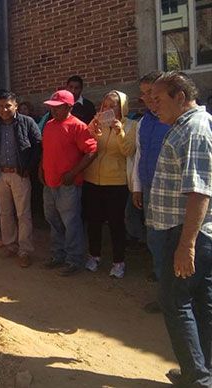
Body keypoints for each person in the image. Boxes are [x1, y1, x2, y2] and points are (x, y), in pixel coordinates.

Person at [147, 71, 212, 387]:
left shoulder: (194, 132)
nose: (152, 106)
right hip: (188, 233)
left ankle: (197, 378)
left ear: (180, 97)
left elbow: (199, 192)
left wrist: (186, 245)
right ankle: (200, 370)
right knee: (200, 302)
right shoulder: (185, 127)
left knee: (176, 304)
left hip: (185, 234)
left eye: (158, 100)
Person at [40, 90, 98, 276]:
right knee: (53, 220)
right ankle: (58, 255)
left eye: (58, 108)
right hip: (49, 183)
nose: (53, 111)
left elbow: (91, 151)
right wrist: (41, 167)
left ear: (69, 107)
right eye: (51, 107)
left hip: (68, 185)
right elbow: (47, 150)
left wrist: (73, 173)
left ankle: (74, 260)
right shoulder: (49, 125)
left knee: (71, 222)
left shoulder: (78, 126)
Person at [82, 91, 135, 278]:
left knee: (116, 223)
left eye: (113, 105)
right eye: (105, 105)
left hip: (116, 182)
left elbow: (128, 150)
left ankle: (118, 261)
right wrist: (92, 127)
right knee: (94, 221)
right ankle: (94, 255)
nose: (108, 109)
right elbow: (86, 144)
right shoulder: (98, 123)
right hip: (92, 179)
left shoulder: (131, 125)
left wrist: (120, 131)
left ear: (122, 107)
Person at [0, 92, 42, 267]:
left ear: (15, 106)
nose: (4, 109)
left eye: (8, 105)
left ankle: (24, 250)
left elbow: (38, 146)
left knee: (23, 214)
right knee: (5, 212)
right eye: (1, 106)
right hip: (0, 175)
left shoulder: (27, 122)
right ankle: (10, 245)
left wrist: (29, 168)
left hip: (20, 174)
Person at [131, 71, 172, 286]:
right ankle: (162, 280)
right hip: (149, 188)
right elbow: (140, 154)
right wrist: (137, 187)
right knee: (155, 238)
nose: (147, 99)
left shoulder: (177, 121)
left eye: (151, 93)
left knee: (173, 241)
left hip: (173, 192)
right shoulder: (143, 122)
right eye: (144, 94)